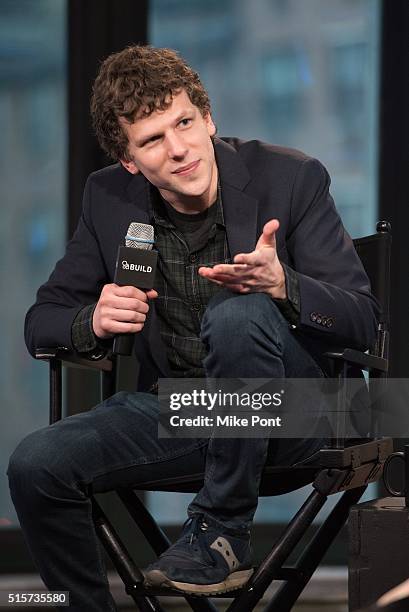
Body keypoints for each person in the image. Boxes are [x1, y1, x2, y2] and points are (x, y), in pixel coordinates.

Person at [8, 45, 378, 611]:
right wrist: (94, 319)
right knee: (35, 466)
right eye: (152, 140)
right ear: (130, 161)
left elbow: (362, 318)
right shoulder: (106, 198)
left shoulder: (292, 177)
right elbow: (43, 322)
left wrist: (284, 285)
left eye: (183, 123)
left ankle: (222, 531)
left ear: (208, 118)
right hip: (181, 409)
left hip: (297, 410)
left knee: (240, 311)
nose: (178, 149)